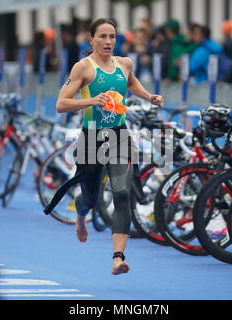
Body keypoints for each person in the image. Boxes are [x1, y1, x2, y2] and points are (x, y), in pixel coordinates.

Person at [43, 18, 163, 275]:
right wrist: (91, 101)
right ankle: (80, 212)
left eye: (112, 36)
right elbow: (61, 104)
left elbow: (130, 83)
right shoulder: (82, 68)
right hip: (91, 139)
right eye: (103, 37)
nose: (108, 41)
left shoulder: (125, 64)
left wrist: (149, 96)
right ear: (91, 40)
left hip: (119, 135)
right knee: (91, 197)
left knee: (122, 194)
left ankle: (117, 258)